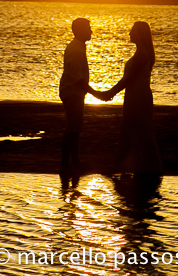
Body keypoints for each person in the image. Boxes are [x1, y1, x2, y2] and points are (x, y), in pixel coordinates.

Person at [101, 21, 162, 174]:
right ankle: (137, 165)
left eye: (133, 31)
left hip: (139, 98)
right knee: (135, 131)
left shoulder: (142, 54)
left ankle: (120, 164)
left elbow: (129, 79)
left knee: (134, 130)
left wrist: (111, 92)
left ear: (140, 35)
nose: (130, 33)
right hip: (134, 96)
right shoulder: (140, 53)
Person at [59, 17, 104, 174]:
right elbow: (77, 78)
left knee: (75, 126)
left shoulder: (78, 47)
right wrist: (96, 94)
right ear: (78, 30)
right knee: (73, 126)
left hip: (73, 91)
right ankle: (67, 162)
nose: (91, 31)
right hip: (72, 91)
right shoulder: (76, 49)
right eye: (88, 28)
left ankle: (73, 160)